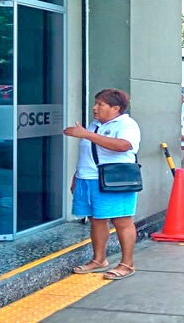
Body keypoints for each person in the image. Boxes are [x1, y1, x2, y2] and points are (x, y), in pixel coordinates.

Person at [64, 88, 141, 280]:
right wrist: (77, 176)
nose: (95, 108)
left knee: (122, 221)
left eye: (100, 104)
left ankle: (127, 264)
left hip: (113, 181)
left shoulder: (126, 124)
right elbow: (88, 153)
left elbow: (123, 145)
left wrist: (86, 134)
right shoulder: (94, 124)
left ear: (116, 108)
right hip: (88, 178)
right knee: (96, 220)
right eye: (95, 103)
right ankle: (99, 260)